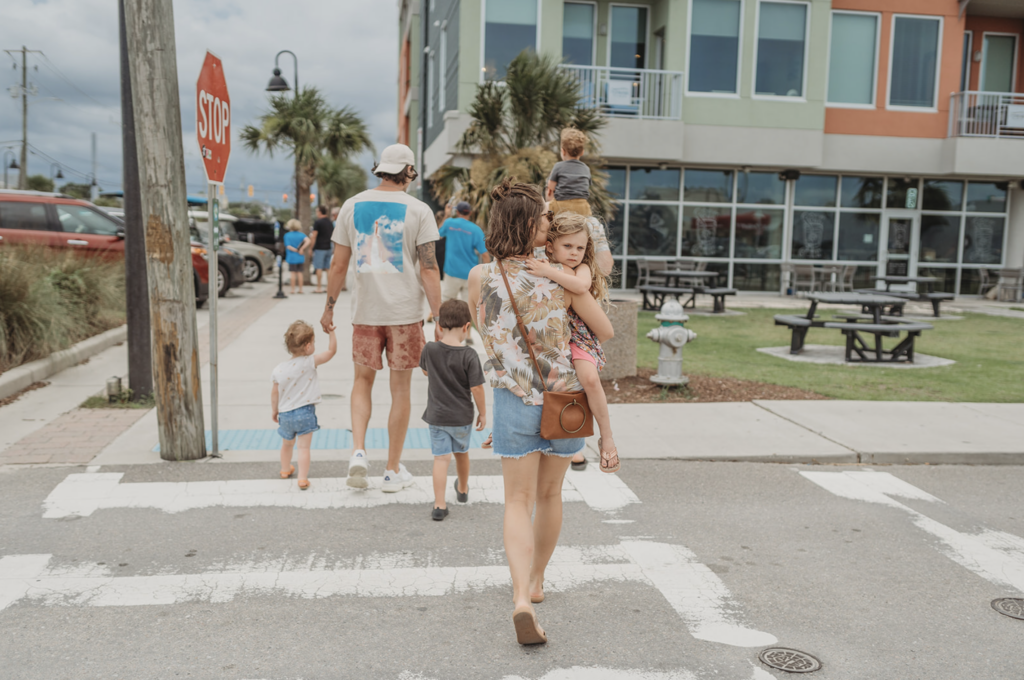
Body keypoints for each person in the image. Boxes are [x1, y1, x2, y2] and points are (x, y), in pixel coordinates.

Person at [467, 178, 613, 645]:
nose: (550, 225)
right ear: (530, 225)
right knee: (550, 497)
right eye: (545, 219)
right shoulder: (559, 279)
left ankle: (519, 599)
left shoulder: (480, 278)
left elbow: (481, 328)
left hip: (512, 401)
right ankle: (537, 581)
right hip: (563, 402)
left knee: (516, 502)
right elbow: (605, 331)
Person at [320, 143, 442, 492]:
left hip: (365, 313)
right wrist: (438, 317)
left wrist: (328, 308)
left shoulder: (351, 205)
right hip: (405, 313)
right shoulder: (419, 210)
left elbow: (338, 264)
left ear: (380, 169)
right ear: (408, 171)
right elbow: (429, 269)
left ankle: (358, 451)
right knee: (400, 389)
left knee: (362, 382)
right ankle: (391, 470)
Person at [526, 212, 620, 473]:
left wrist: (548, 270)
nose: (574, 252)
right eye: (567, 246)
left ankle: (607, 437)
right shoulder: (538, 262)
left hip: (579, 337)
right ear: (550, 246)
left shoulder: (581, 269)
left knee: (589, 379)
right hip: (550, 338)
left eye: (580, 247)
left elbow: (579, 287)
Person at [419, 299, 486, 521]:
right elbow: (476, 387)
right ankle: (463, 489)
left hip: (437, 416)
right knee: (461, 453)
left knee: (440, 459)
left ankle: (439, 505)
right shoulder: (469, 355)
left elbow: (426, 373)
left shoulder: (429, 349)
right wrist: (483, 413)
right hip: (461, 417)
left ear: (439, 325)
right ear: (467, 327)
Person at [271, 321, 337, 490]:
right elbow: (331, 352)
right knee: (303, 447)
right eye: (314, 343)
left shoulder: (278, 369)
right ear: (308, 347)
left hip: (285, 414)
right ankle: (302, 478)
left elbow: (275, 393)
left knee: (287, 444)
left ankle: (285, 470)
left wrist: (275, 410)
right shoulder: (309, 362)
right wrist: (331, 334)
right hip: (305, 412)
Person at [439, 201, 489, 304]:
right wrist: (485, 275)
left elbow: (438, 234)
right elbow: (484, 254)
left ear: (457, 212)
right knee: (469, 306)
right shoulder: (476, 230)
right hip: (469, 275)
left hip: (452, 272)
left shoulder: (449, 223)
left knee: (446, 303)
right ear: (470, 213)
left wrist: (447, 215)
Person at [309, 205, 335, 294]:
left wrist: (310, 248)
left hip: (320, 248)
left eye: (317, 211)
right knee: (327, 268)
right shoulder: (330, 222)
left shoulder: (318, 222)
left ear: (320, 212)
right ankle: (328, 287)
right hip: (328, 247)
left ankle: (319, 287)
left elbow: (314, 236)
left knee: (318, 267)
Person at [283, 219, 311, 295]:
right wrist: (301, 249)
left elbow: (288, 246)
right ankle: (301, 289)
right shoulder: (301, 235)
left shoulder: (287, 235)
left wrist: (295, 250)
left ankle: (293, 289)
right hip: (300, 256)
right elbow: (308, 240)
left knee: (293, 273)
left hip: (291, 257)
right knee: (300, 273)